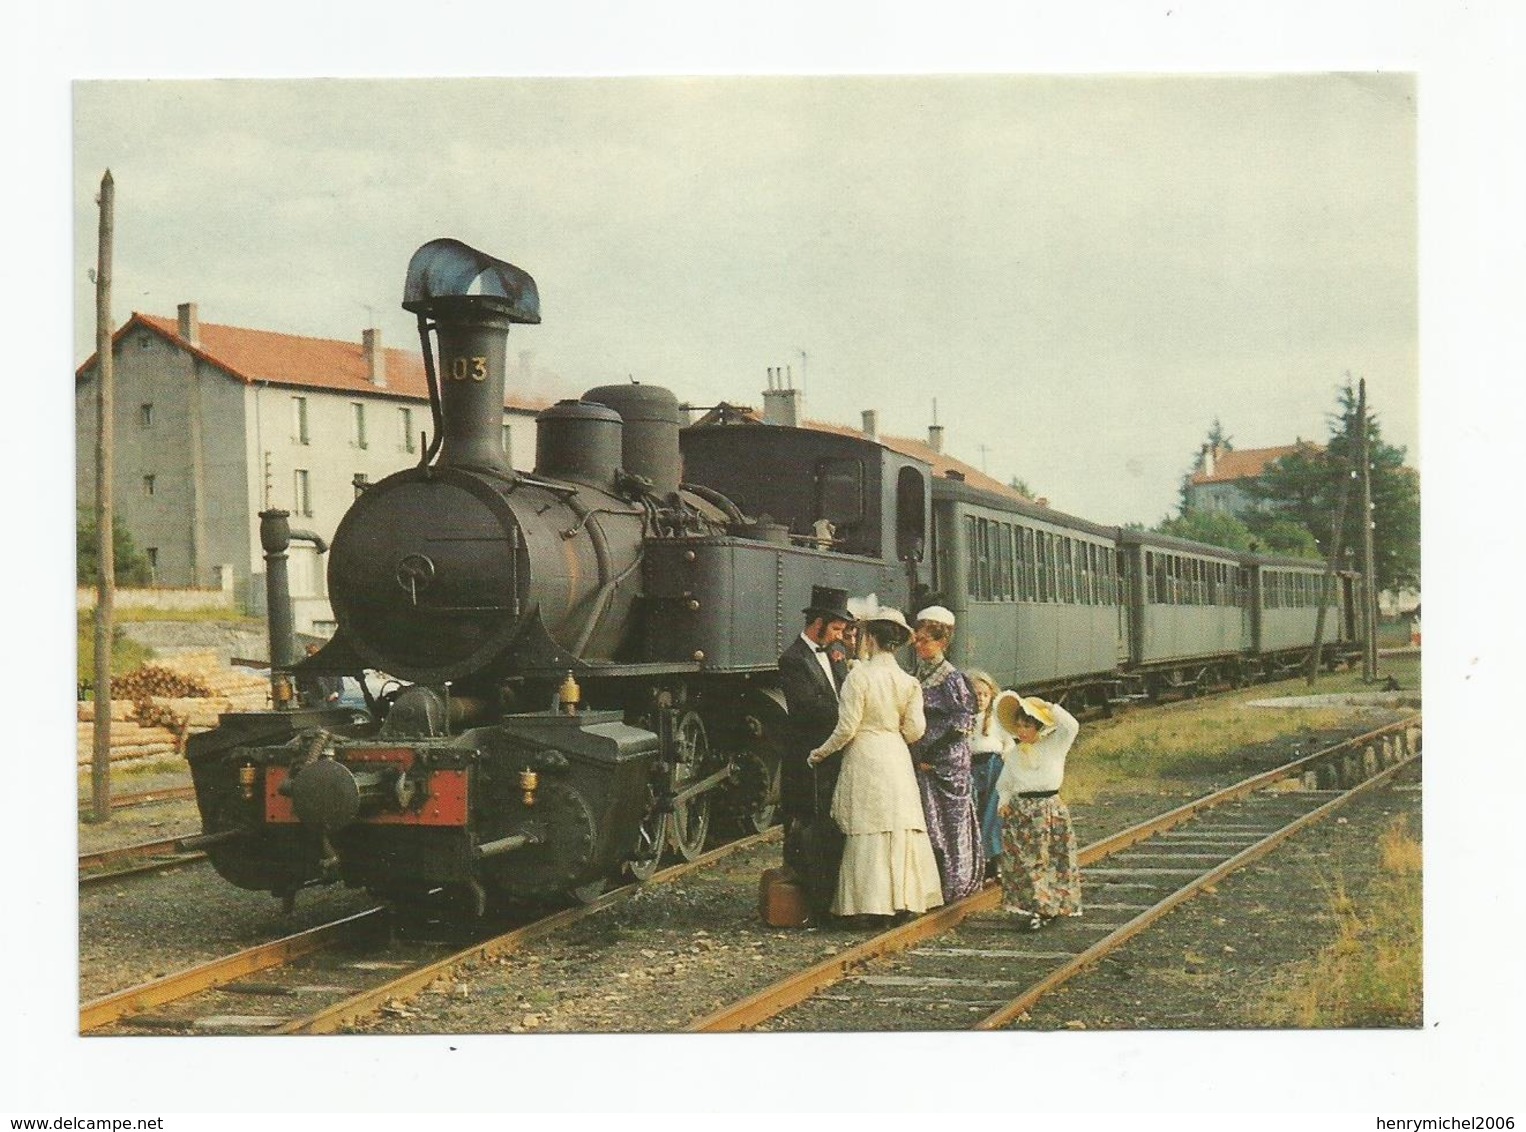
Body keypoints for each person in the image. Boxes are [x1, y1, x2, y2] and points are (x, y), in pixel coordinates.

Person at [807, 607, 943, 922]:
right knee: (898, 824)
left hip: (865, 754)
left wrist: (820, 753)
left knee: (868, 827)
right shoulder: (908, 682)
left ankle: (869, 905)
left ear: (870, 637)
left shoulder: (859, 676)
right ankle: (905, 900)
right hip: (895, 754)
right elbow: (915, 731)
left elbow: (846, 728)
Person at [777, 584, 853, 921]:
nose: (839, 635)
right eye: (836, 628)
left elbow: (844, 690)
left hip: (835, 752)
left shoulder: (836, 654)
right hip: (809, 755)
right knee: (808, 825)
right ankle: (808, 898)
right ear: (818, 622)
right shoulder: (793, 659)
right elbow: (807, 706)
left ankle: (828, 895)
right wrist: (849, 716)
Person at [907, 606, 985, 903]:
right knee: (931, 822)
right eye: (917, 640)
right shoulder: (919, 673)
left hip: (947, 762)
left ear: (941, 642)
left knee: (951, 824)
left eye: (925, 640)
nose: (918, 645)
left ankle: (958, 883)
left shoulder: (952, 678)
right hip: (924, 759)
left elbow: (961, 724)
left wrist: (931, 754)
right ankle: (935, 884)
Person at [993, 691, 1083, 930]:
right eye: (1019, 726)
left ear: (1038, 727)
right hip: (1022, 811)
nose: (1022, 731)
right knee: (1027, 861)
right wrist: (1004, 802)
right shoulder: (1013, 755)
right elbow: (1005, 784)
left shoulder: (1054, 745)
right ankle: (1037, 907)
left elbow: (1071, 727)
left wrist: (1050, 708)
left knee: (1052, 858)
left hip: (1049, 809)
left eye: (1027, 726)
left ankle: (1053, 905)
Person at [964, 669, 1010, 878]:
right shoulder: (966, 718)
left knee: (993, 812)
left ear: (991, 695)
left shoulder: (996, 718)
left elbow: (1009, 743)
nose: (980, 699)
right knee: (976, 811)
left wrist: (1005, 757)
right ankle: (978, 858)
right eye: (976, 695)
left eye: (984, 695)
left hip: (993, 765)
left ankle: (995, 857)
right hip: (971, 767)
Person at [295, 643, 342, 707]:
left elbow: (340, 687)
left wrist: (336, 695)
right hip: (314, 706)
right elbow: (300, 687)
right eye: (311, 654)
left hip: (332, 705)